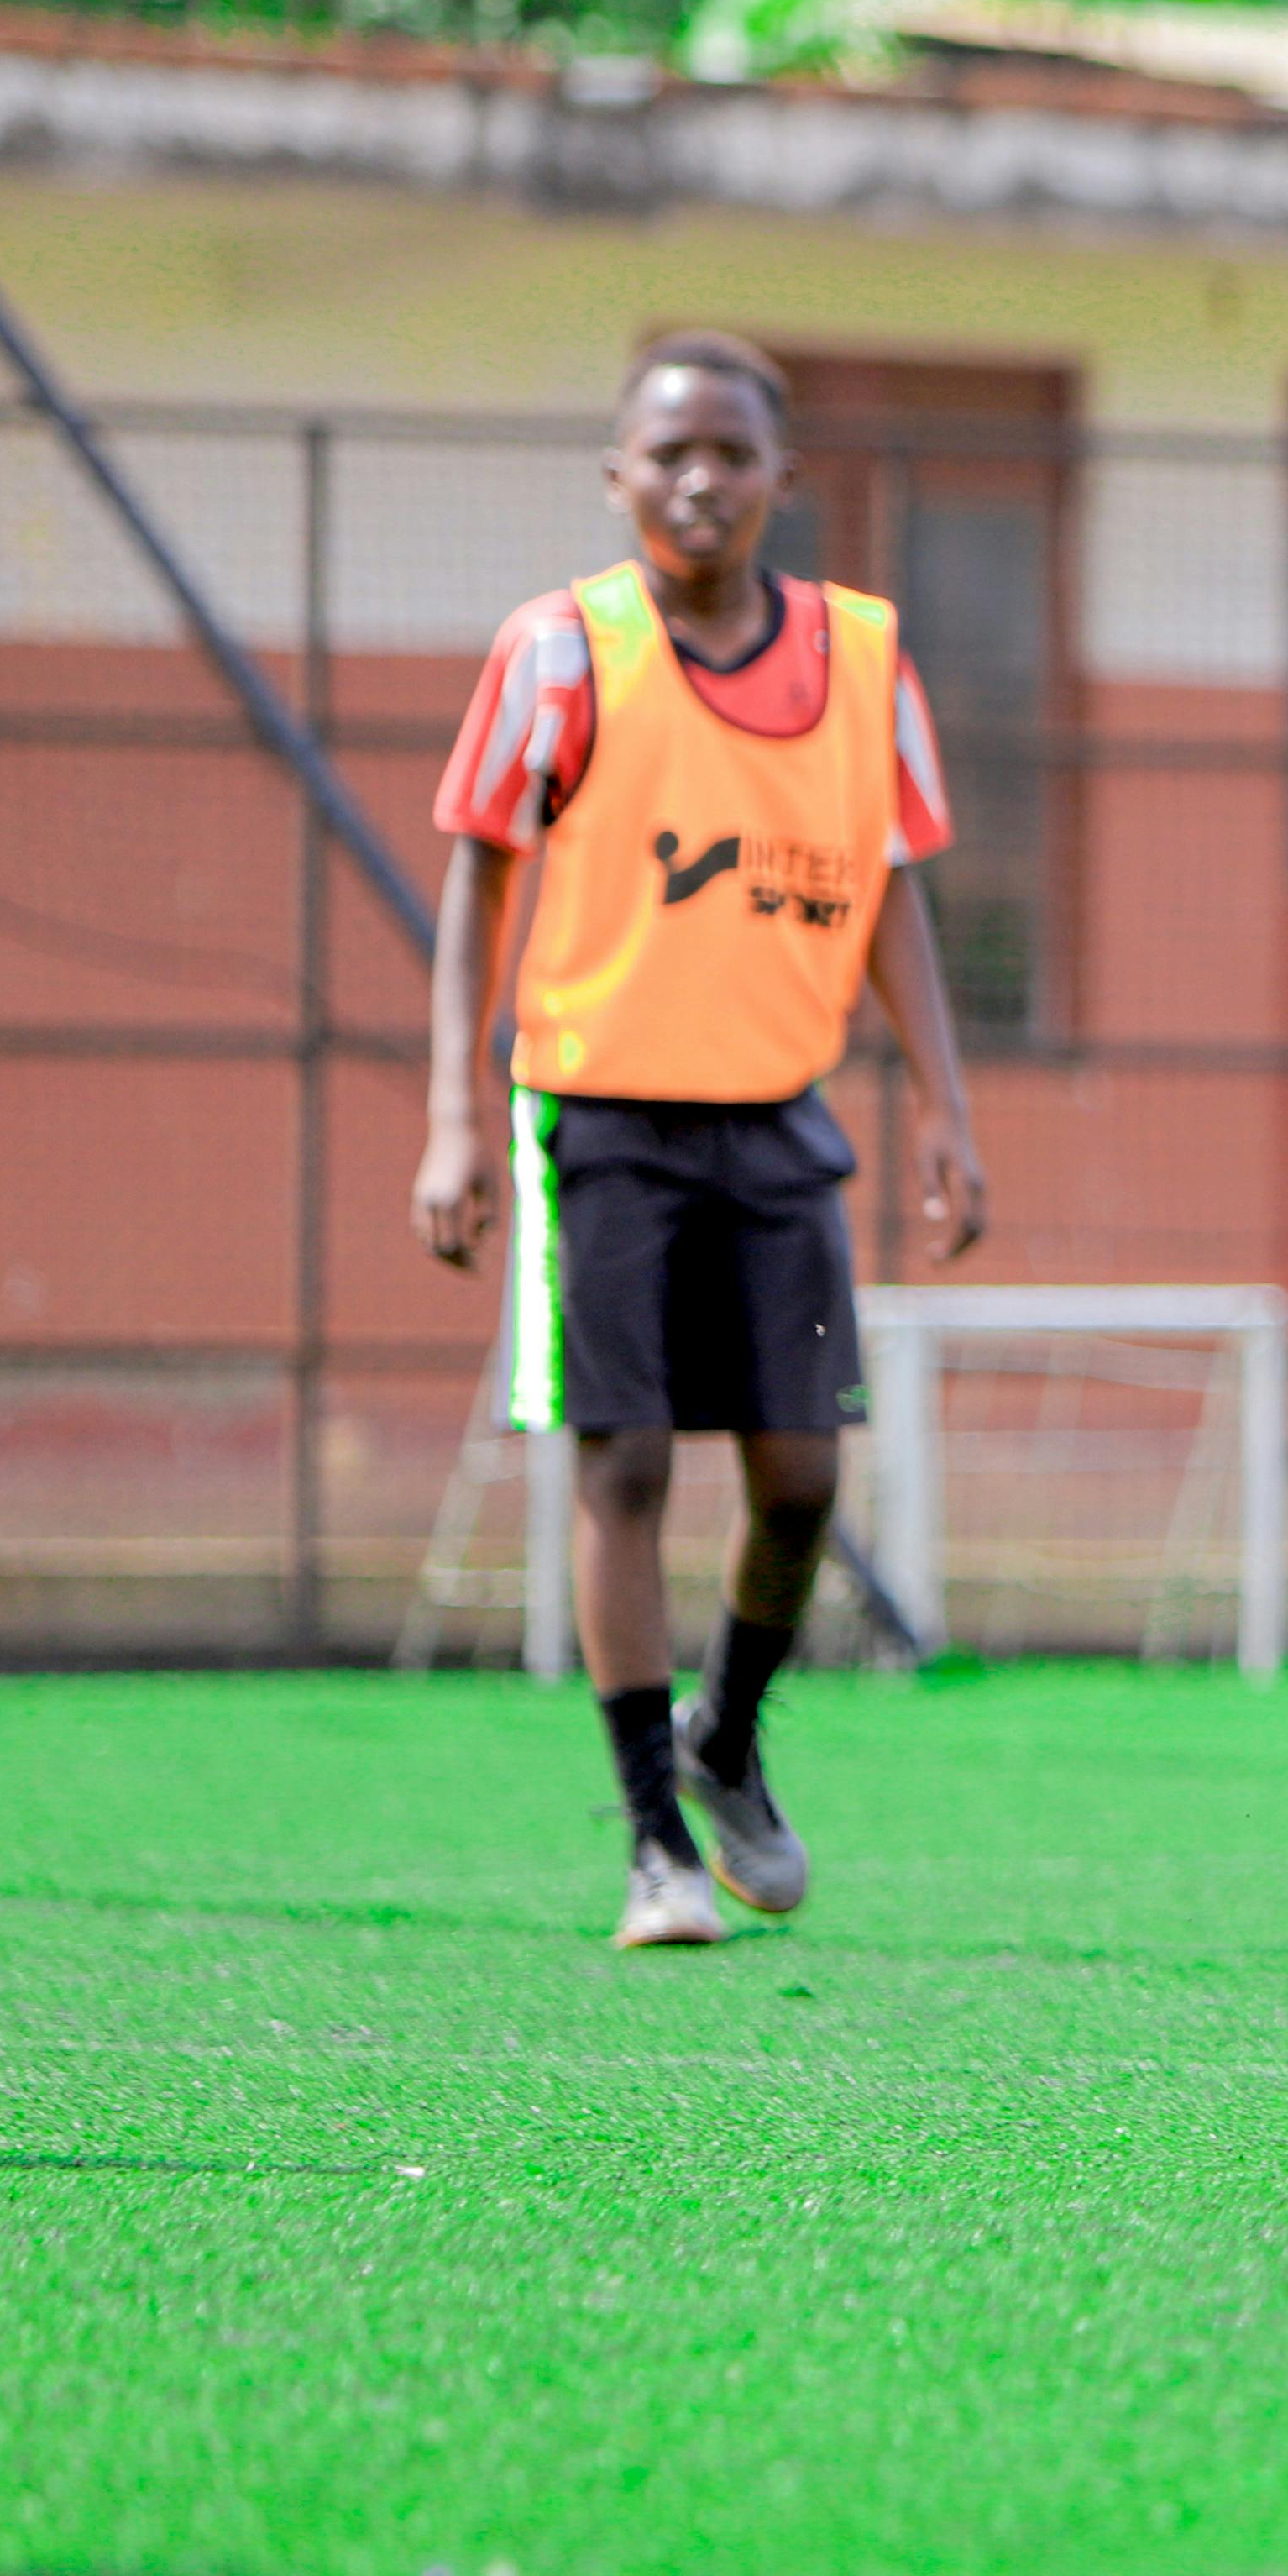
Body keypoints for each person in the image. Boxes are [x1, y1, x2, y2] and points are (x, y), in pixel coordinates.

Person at [412, 333, 988, 1949]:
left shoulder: (866, 659)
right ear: (618, 478)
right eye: (666, 452)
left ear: (781, 481)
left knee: (802, 1475)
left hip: (779, 1125)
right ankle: (654, 1844)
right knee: (628, 1463)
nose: (698, 479)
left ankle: (727, 1740)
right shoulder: (561, 651)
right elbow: (479, 869)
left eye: (730, 452)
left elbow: (890, 891)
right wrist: (458, 1114)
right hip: (596, 1120)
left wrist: (944, 1102)